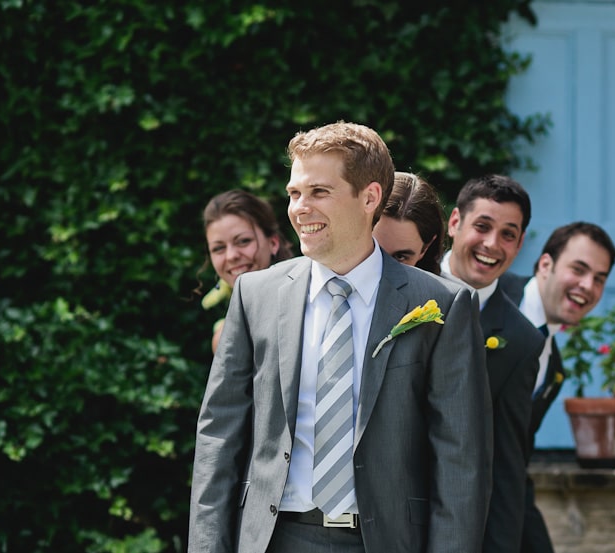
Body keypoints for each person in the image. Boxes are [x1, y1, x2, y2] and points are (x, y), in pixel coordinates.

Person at [188, 121, 493, 553]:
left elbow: (461, 460)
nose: (299, 208)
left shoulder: (441, 305)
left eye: (319, 192)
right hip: (273, 539)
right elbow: (219, 438)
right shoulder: (256, 295)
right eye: (295, 193)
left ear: (369, 197)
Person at [441, 174, 545, 553]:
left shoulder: (522, 341)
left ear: (519, 245)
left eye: (508, 235)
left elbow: (505, 465)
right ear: (455, 223)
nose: (491, 245)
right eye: (482, 226)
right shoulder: (398, 288)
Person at [501, 221, 615, 553]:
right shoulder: (492, 296)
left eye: (599, 278)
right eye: (579, 270)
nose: (587, 286)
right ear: (546, 264)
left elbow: (516, 453)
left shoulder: (555, 369)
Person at [200, 189, 294, 352]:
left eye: (243, 241)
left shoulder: (310, 305)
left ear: (273, 243)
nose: (231, 256)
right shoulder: (225, 338)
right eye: (218, 248)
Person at [372, 171, 446, 274]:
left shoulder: (447, 290)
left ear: (425, 249)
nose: (381, 267)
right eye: (373, 250)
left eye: (400, 257)